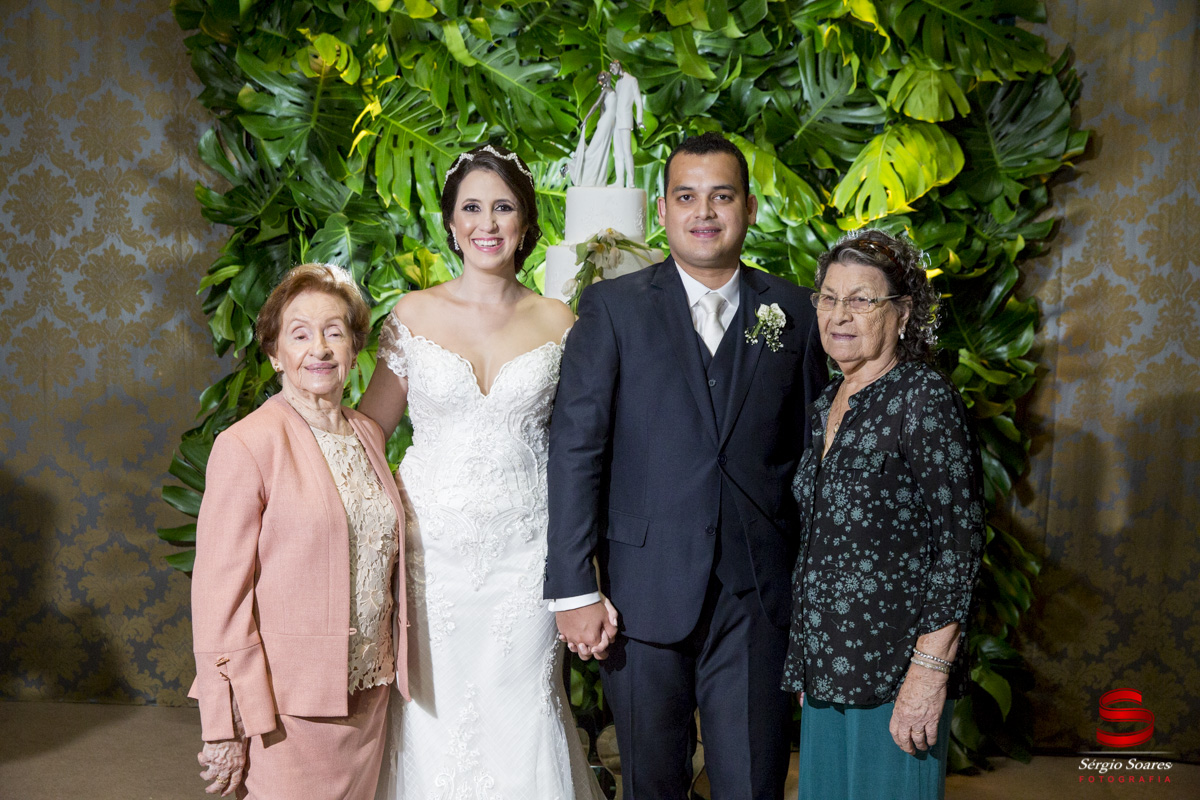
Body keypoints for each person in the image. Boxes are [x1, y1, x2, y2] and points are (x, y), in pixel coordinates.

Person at [546, 131, 829, 800]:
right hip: (640, 596)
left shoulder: (792, 311)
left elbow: (812, 454)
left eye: (721, 196)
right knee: (652, 782)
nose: (705, 212)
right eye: (687, 196)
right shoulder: (612, 309)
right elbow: (576, 447)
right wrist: (573, 587)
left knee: (753, 781)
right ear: (665, 211)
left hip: (755, 595)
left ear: (750, 208)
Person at [358, 144, 605, 799]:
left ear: (525, 224)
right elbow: (368, 430)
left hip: (527, 554)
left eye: (503, 207)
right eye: (472, 207)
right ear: (450, 221)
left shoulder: (560, 322)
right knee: (430, 713)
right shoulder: (411, 316)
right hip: (430, 551)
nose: (487, 222)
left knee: (522, 706)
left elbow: (587, 446)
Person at [190, 263, 407, 799]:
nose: (321, 348)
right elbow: (220, 598)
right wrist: (225, 726)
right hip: (287, 708)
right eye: (300, 333)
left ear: (355, 351)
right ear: (274, 353)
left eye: (335, 331)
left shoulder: (368, 435)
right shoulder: (246, 445)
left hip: (368, 694)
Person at [782, 230, 985, 800]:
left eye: (862, 300)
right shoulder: (828, 402)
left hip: (896, 672)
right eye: (828, 298)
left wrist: (928, 672)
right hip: (828, 668)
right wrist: (807, 656)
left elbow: (959, 545)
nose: (839, 315)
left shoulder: (924, 399)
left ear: (902, 313)